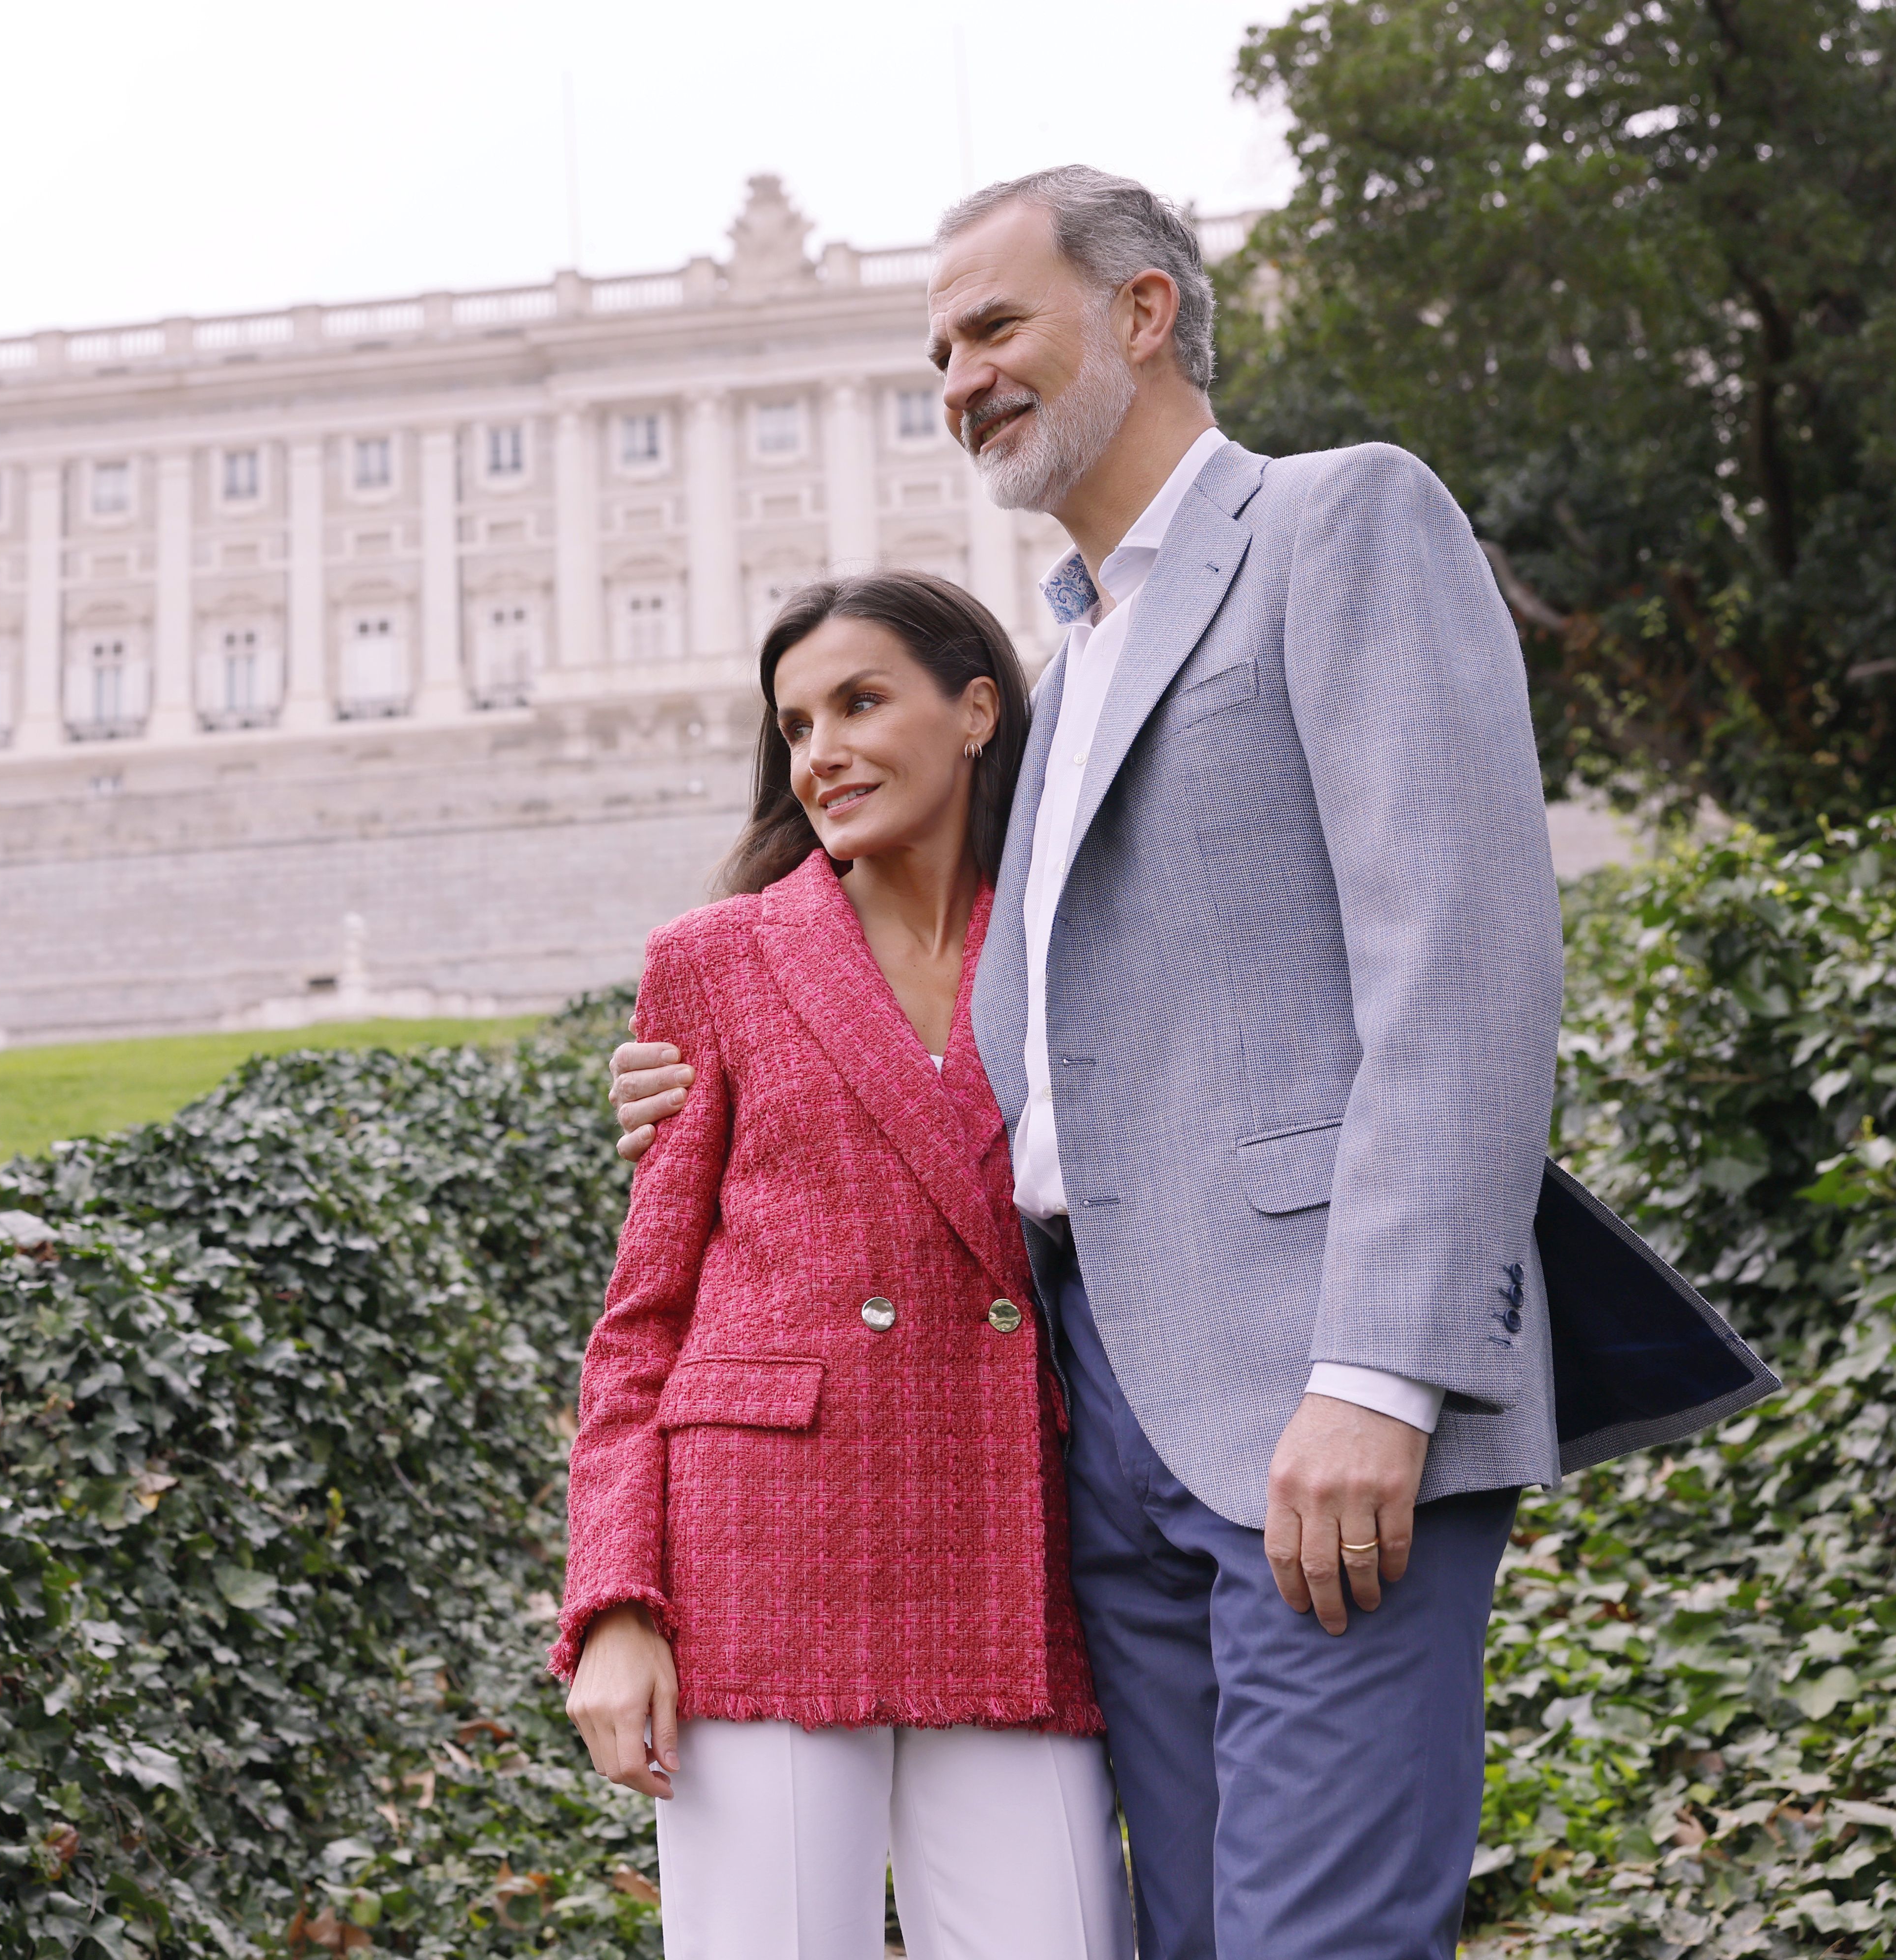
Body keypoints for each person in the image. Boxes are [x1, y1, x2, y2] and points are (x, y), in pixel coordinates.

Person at [610, 166, 1567, 1960]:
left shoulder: (1339, 522)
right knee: (1193, 1934)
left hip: (1307, 1377)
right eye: (939, 349)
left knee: (1321, 1940)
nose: (959, 376)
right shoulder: (1069, 659)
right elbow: (1035, 1040)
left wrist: (1380, 1368)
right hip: (1094, 1418)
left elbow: (1463, 964)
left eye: (994, 328)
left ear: (1141, 313)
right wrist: (706, 1080)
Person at [558, 569, 1131, 1960]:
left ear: (978, 710)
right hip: (761, 1549)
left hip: (1010, 1539)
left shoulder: (1081, 940)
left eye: (862, 702)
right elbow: (643, 1321)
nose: (821, 750)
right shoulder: (715, 963)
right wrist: (615, 1605)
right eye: (797, 723)